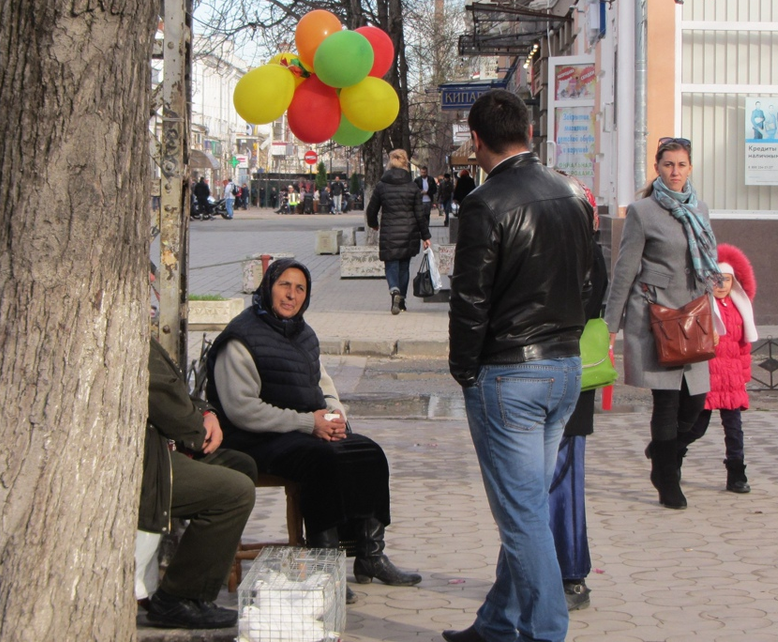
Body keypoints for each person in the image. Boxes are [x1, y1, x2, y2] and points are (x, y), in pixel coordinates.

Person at [444, 89, 594, 642]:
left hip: (509, 374)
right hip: (564, 367)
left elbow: (470, 299)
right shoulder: (572, 192)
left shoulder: (485, 203)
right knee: (526, 504)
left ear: (477, 141)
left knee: (522, 513)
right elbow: (591, 282)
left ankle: (546, 632)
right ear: (529, 132)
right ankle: (497, 624)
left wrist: (465, 369)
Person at [205, 259, 421, 605]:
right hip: (256, 437)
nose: (291, 295)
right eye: (284, 286)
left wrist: (335, 417)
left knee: (367, 453)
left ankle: (370, 555)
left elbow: (323, 383)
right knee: (322, 461)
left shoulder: (302, 333)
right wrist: (310, 424)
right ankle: (326, 565)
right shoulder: (241, 338)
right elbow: (242, 410)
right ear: (268, 287)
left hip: (305, 428)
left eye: (300, 289)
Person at [604, 136, 723, 511]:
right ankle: (668, 479)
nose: (675, 172)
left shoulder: (700, 208)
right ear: (657, 168)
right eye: (668, 164)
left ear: (690, 169)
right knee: (668, 404)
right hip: (656, 317)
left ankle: (662, 453)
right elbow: (625, 268)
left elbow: (708, 260)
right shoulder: (642, 212)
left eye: (682, 165)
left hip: (694, 316)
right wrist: (611, 322)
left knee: (697, 405)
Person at [140, 337, 258, 630]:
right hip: (146, 461)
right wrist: (195, 431)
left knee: (242, 466)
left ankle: (198, 583)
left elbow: (176, 389)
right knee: (235, 493)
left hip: (163, 446)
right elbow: (163, 396)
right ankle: (178, 597)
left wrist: (206, 413)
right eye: (285, 286)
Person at [549, 182, 606, 614]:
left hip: (568, 376)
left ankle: (571, 574)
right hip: (535, 379)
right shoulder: (544, 249)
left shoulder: (588, 255)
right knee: (531, 484)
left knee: (563, 480)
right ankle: (533, 573)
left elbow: (579, 309)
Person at [677, 243, 758, 494]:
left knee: (734, 430)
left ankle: (736, 474)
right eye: (716, 279)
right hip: (708, 381)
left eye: (726, 279)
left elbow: (743, 348)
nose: (721, 284)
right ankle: (670, 455)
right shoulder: (703, 307)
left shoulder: (739, 309)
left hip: (732, 383)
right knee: (695, 428)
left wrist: (744, 377)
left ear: (734, 282)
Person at [366, 149, 431, 316]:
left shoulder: (382, 186)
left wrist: (373, 224)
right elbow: (419, 214)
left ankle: (394, 290)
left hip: (389, 232)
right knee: (404, 267)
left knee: (391, 264)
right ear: (405, 164)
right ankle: (401, 301)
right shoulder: (412, 187)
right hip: (409, 233)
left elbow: (371, 210)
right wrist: (426, 236)